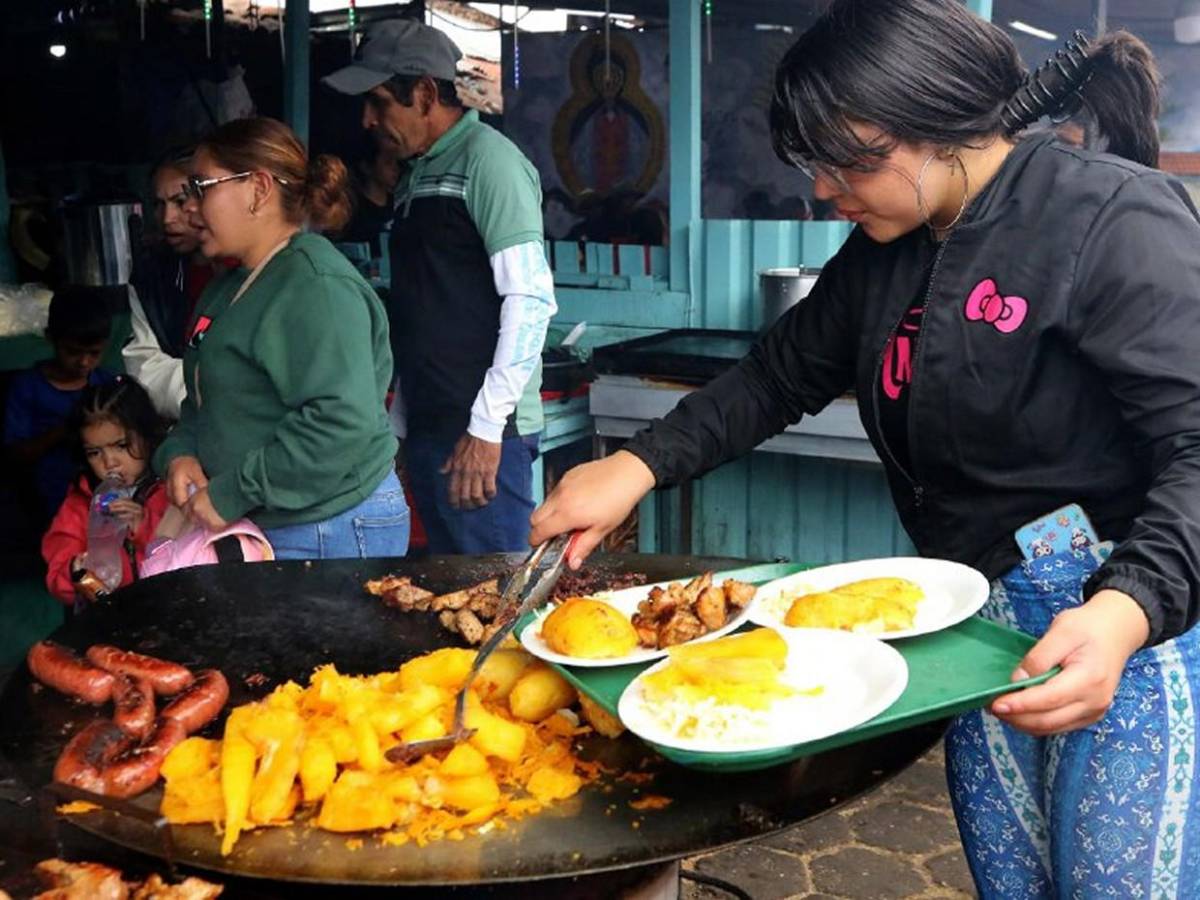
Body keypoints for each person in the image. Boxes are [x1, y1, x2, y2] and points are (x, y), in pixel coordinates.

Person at [531, 3, 1200, 897]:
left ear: (942, 126)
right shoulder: (888, 246)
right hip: (973, 622)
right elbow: (777, 377)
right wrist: (633, 467)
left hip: (1123, 618)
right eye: (814, 164)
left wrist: (1127, 610)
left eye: (851, 161)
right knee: (1014, 882)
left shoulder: (1110, 219)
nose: (822, 190)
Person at [323, 19, 557, 554]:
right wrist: (399, 428)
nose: (367, 120)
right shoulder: (417, 175)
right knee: (448, 598)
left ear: (425, 93)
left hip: (479, 431)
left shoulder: (489, 162)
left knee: (494, 601)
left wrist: (486, 429)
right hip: (432, 426)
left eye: (379, 103)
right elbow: (421, 307)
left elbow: (530, 299)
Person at [154, 116, 409, 561]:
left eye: (202, 187)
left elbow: (338, 422)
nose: (190, 207)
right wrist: (180, 453)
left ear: (258, 189)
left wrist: (232, 492)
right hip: (272, 522)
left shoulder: (316, 286)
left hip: (330, 526)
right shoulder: (227, 287)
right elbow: (205, 403)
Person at [42, 377, 170, 605]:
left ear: (148, 437)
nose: (109, 463)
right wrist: (75, 571)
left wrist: (143, 528)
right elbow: (56, 579)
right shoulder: (80, 504)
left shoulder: (168, 490)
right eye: (94, 453)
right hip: (104, 621)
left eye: (121, 446)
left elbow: (186, 558)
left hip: (163, 609)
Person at [124, 148, 230, 420]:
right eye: (159, 204)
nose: (167, 218)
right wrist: (211, 395)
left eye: (180, 201)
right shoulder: (151, 276)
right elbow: (145, 366)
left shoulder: (245, 269)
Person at [3, 285, 116, 523]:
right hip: (47, 502)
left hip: (103, 500)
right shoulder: (28, 388)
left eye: (94, 353)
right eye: (74, 352)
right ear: (50, 338)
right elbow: (15, 455)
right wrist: (66, 429)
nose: (84, 362)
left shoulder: (107, 384)